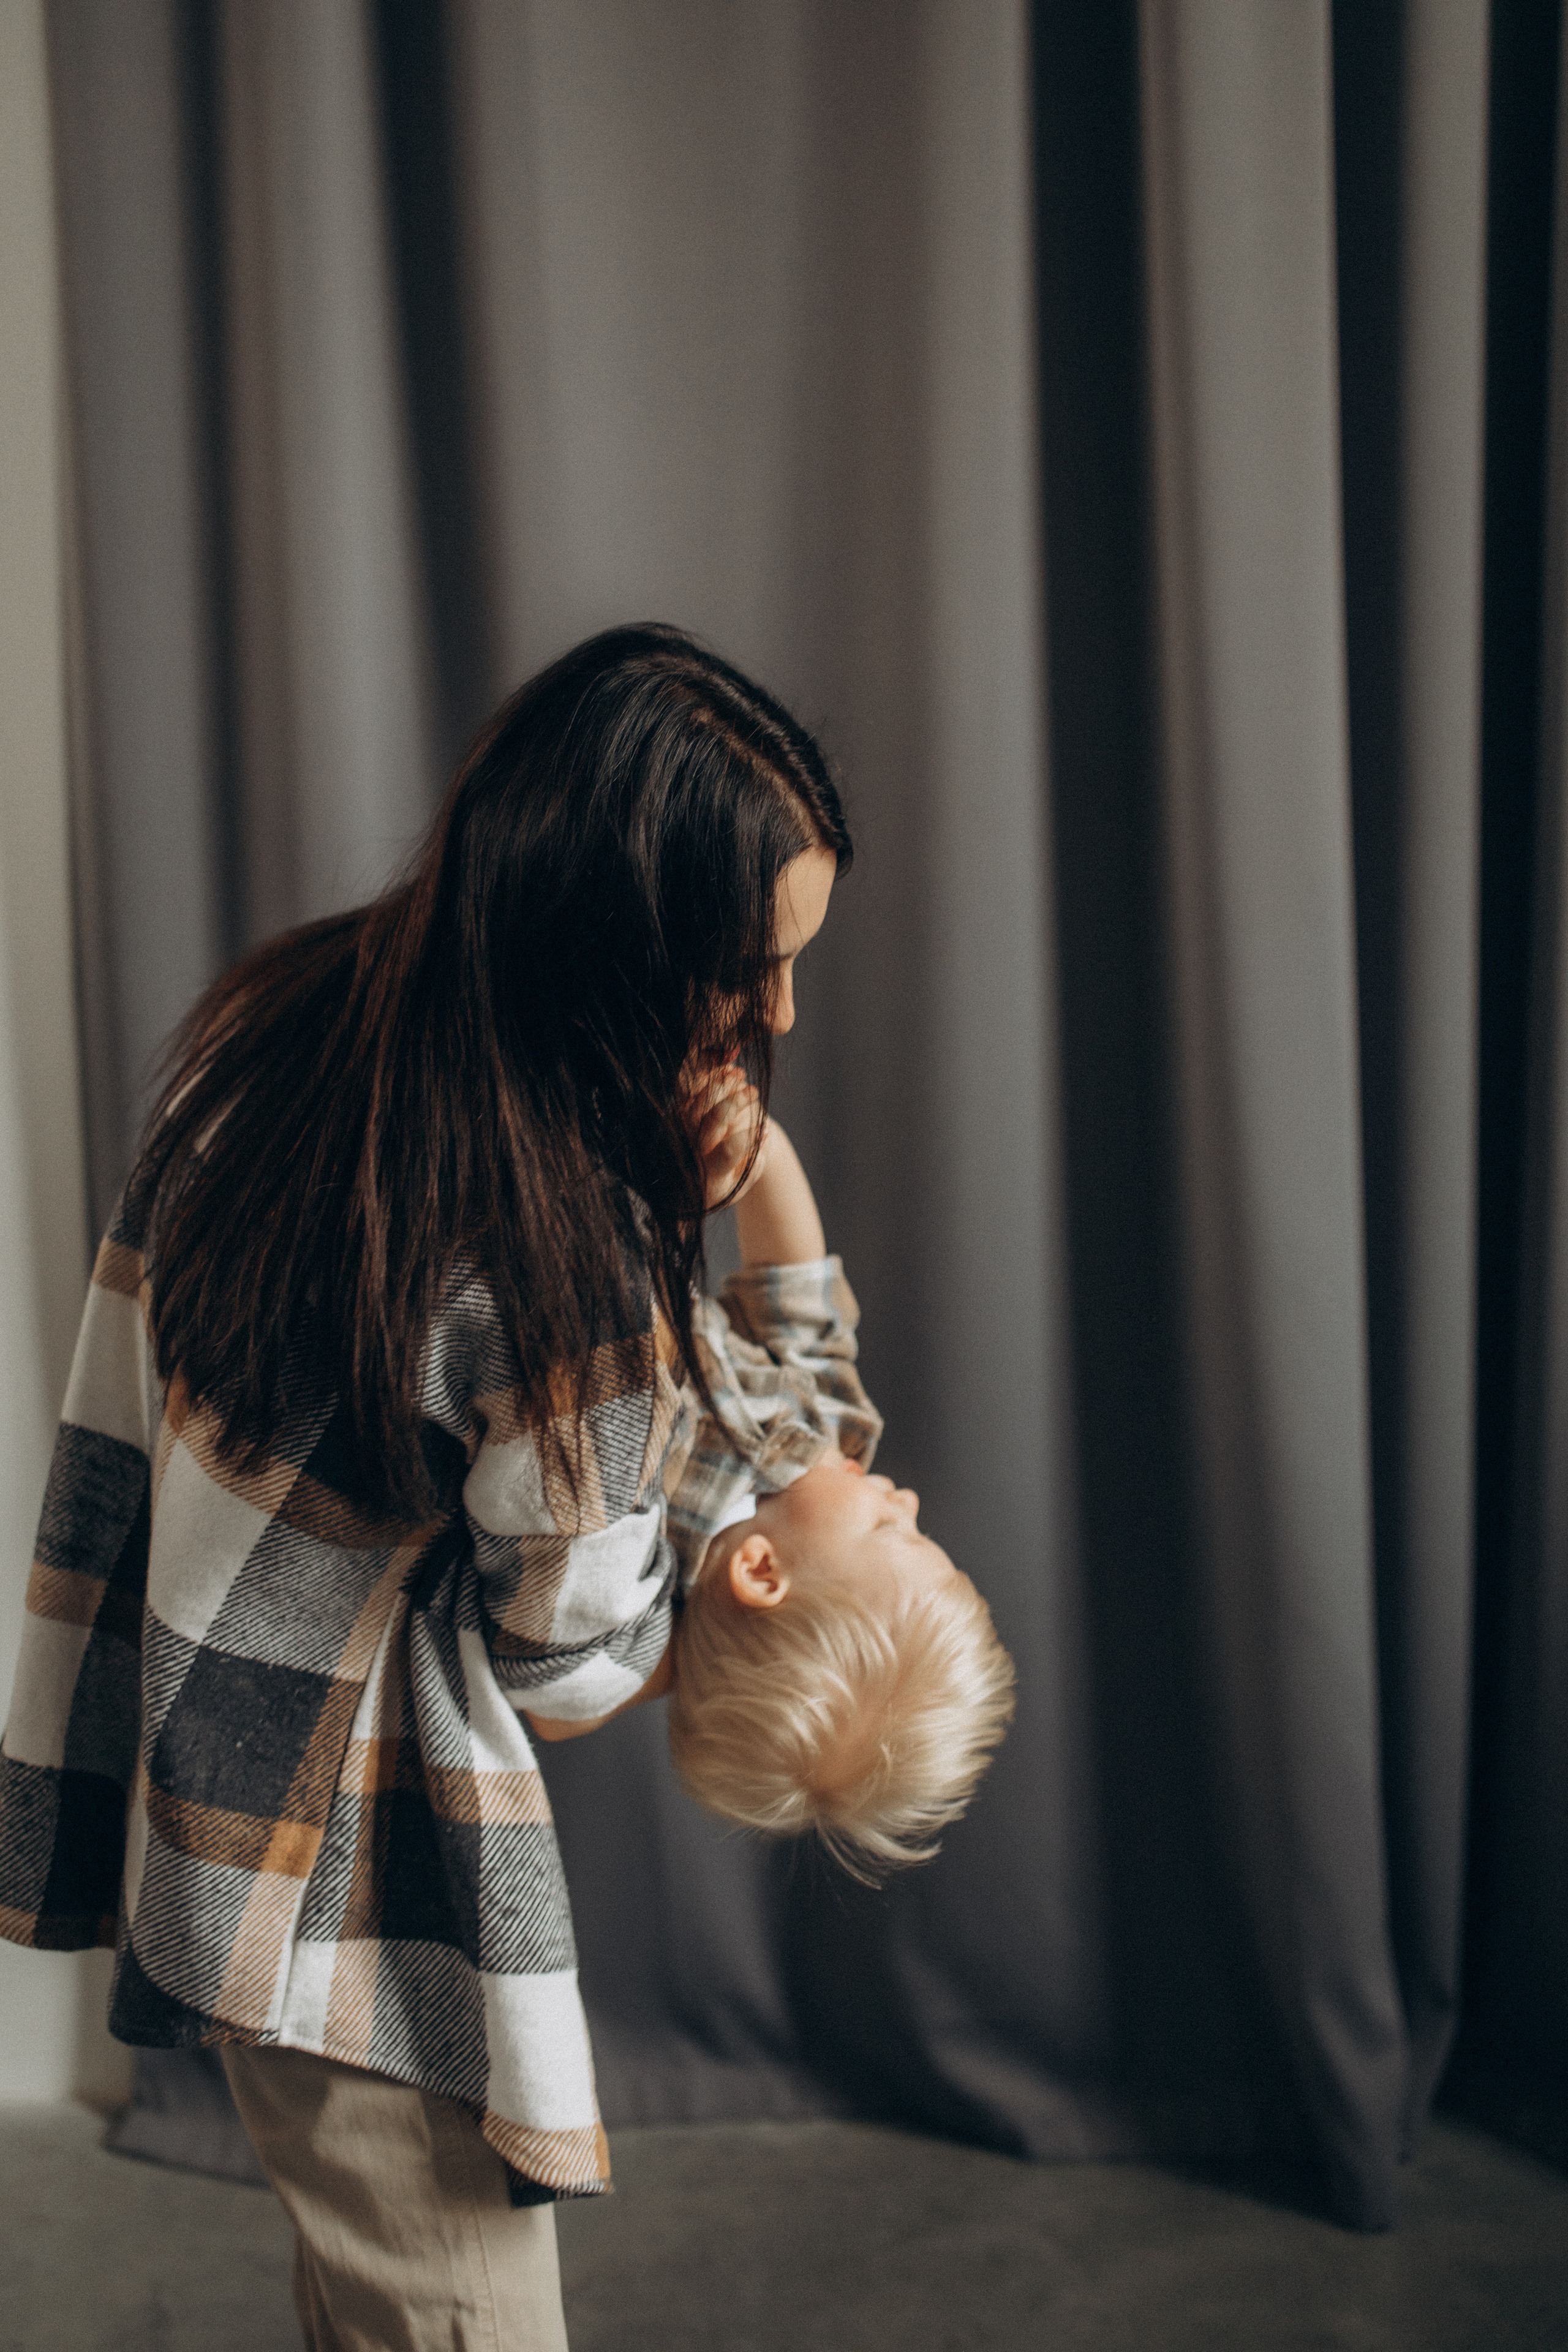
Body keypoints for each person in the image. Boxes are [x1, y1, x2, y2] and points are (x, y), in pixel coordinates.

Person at [0, 624, 993, 2351]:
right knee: (464, 2321)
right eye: (751, 964)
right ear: (621, 939)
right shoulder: (566, 1272)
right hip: (363, 1906)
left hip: (225, 1804)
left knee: (373, 2297)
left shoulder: (302, 1023)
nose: (778, 1012)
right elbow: (569, 1667)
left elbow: (795, 1418)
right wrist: (675, 1610)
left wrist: (749, 1198)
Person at [523, 1094, 1016, 1888]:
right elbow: (800, 1299)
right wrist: (763, 1161)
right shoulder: (828, 1432)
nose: (909, 1501)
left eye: (891, 1531)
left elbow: (560, 1706)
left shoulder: (636, 1572)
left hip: (544, 1254)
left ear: (760, 1573)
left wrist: (674, 1666)